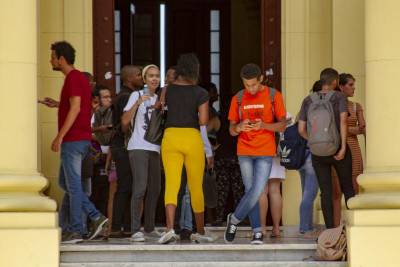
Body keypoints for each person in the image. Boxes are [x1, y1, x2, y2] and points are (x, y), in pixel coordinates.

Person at [43, 41, 108, 243]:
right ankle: (82, 224)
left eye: (53, 56)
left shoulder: (72, 78)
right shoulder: (79, 77)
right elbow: (77, 104)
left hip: (73, 140)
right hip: (81, 139)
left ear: (61, 59)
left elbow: (76, 108)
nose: (51, 60)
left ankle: (83, 225)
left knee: (72, 186)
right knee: (66, 183)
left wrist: (59, 136)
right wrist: (58, 104)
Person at [224, 63, 287, 244]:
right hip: (244, 150)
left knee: (258, 189)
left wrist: (264, 126)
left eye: (253, 84)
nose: (250, 89)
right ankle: (257, 231)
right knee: (251, 190)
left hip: (265, 150)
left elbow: (282, 125)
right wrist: (238, 127)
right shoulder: (238, 98)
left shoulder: (274, 96)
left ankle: (234, 219)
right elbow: (231, 130)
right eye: (246, 85)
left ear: (260, 79)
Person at [158, 53, 215, 244]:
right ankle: (200, 231)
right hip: (192, 138)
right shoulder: (201, 93)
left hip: (170, 137)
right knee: (196, 186)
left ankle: (169, 229)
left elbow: (160, 108)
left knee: (172, 185)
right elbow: (204, 121)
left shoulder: (167, 90)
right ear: (194, 70)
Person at [298, 68, 356, 229]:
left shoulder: (308, 100)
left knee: (326, 192)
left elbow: (301, 129)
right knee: (348, 188)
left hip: (318, 152)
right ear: (335, 82)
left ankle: (329, 230)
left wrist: (314, 141)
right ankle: (353, 227)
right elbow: (344, 121)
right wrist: (343, 147)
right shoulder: (339, 97)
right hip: (338, 149)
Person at [121, 64, 162, 242]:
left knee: (155, 189)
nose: (154, 79)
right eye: (151, 76)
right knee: (140, 188)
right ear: (144, 79)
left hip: (155, 148)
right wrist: (138, 103)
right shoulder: (135, 95)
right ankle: (135, 229)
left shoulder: (160, 98)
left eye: (157, 76)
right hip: (138, 146)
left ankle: (150, 227)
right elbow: (124, 121)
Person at [109, 65, 143, 237]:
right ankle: (118, 227)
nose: (142, 77)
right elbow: (125, 124)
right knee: (125, 186)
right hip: (123, 146)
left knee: (128, 185)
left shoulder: (124, 95)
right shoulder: (127, 97)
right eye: (138, 74)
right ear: (129, 79)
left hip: (122, 146)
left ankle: (126, 226)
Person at [331, 73, 365, 226]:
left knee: (355, 184)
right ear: (341, 86)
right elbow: (335, 128)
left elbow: (363, 128)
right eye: (350, 85)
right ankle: (337, 225)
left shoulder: (356, 106)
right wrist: (353, 129)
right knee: (337, 189)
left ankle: (353, 222)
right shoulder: (334, 104)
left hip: (354, 148)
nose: (353, 88)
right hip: (338, 147)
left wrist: (346, 128)